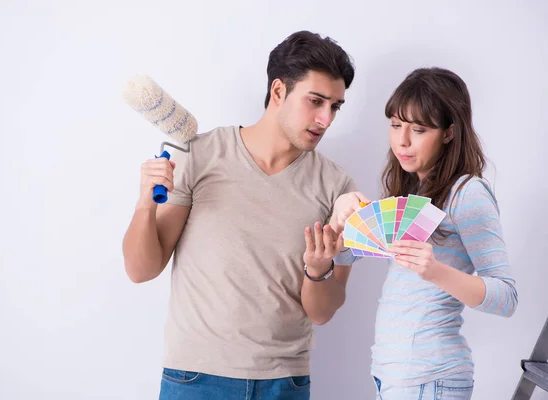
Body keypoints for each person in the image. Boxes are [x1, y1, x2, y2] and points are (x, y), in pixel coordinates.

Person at [122, 30, 366, 400]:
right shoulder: (202, 154)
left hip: (285, 382)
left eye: (335, 106)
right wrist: (145, 202)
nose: (325, 119)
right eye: (316, 101)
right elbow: (141, 270)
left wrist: (318, 269)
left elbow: (322, 312)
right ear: (279, 91)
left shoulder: (337, 187)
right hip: (195, 378)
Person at [334, 67, 518, 399]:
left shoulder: (467, 193)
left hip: (430, 378)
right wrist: (340, 218)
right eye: (395, 126)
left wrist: (435, 271)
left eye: (418, 130)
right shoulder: (411, 191)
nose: (402, 141)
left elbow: (506, 298)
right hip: (391, 376)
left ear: (449, 133)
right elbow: (349, 254)